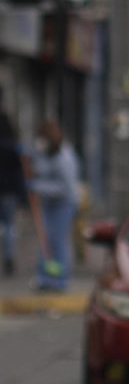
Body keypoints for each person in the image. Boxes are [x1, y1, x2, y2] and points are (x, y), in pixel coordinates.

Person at [27, 119, 81, 291]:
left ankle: (60, 279)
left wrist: (38, 187)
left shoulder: (65, 158)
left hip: (64, 204)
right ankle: (46, 277)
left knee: (58, 241)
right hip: (49, 203)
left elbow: (66, 188)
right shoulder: (46, 153)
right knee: (46, 240)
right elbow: (40, 169)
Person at [0, 89, 26, 276]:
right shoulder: (11, 147)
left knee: (6, 226)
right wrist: (22, 193)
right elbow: (19, 170)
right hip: (8, 190)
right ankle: (8, 257)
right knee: (9, 225)